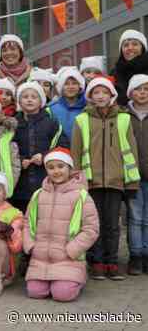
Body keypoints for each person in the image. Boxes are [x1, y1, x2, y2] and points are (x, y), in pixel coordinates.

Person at [71, 77, 141, 280]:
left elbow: (131, 152)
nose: (100, 96)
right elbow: (75, 152)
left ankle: (112, 261)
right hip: (90, 182)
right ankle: (97, 262)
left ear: (112, 95)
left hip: (115, 181)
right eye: (96, 93)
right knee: (94, 224)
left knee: (112, 223)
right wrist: (77, 180)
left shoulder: (123, 119)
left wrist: (132, 182)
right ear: (90, 97)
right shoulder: (82, 120)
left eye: (104, 92)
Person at [23, 148, 99, 302]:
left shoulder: (81, 195)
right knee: (35, 292)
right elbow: (26, 223)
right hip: (40, 258)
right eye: (51, 167)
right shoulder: (38, 194)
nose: (56, 171)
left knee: (62, 294)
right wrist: (30, 246)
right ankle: (53, 281)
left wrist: (72, 250)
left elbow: (91, 229)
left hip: (68, 258)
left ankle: (76, 279)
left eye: (60, 166)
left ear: (70, 168)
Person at [12, 81, 67, 213]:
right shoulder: (12, 124)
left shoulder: (51, 122)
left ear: (41, 100)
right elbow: (6, 149)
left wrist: (44, 156)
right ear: (19, 101)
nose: (29, 100)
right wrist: (19, 159)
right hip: (20, 185)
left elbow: (63, 145)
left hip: (45, 180)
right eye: (25, 97)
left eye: (34, 97)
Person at [126, 75, 148, 275]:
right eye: (138, 89)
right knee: (135, 217)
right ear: (131, 92)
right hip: (132, 176)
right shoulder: (124, 115)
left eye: (146, 89)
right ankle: (136, 256)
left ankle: (146, 253)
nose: (142, 93)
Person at [48, 67, 87, 141]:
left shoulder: (87, 108)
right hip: (58, 151)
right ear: (61, 87)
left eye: (74, 83)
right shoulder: (51, 108)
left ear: (80, 86)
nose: (71, 87)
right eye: (66, 84)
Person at [112, 29, 148, 107]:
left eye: (135, 44)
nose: (130, 48)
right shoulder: (115, 72)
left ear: (142, 48)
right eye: (126, 45)